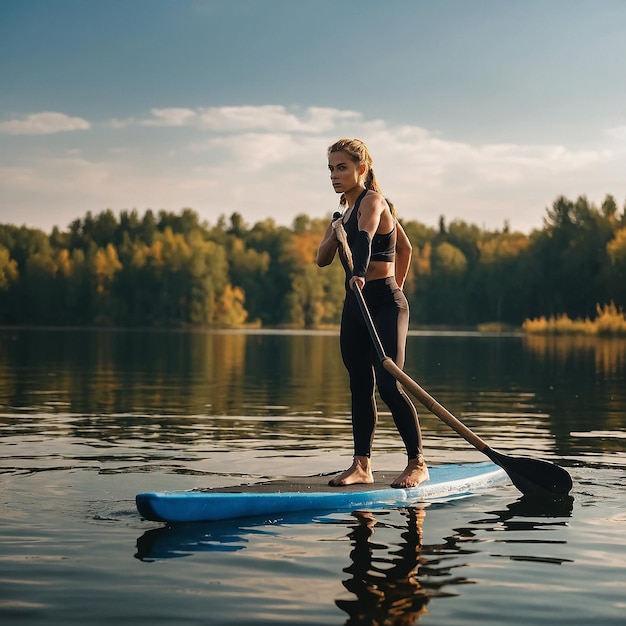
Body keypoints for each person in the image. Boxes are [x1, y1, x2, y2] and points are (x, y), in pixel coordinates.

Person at [316, 138, 429, 489]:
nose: (335, 175)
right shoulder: (342, 215)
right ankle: (361, 465)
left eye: (342, 167)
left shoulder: (374, 202)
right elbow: (321, 258)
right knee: (359, 385)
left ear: (361, 169)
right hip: (356, 303)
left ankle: (418, 462)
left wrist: (375, 279)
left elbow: (365, 239)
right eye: (331, 168)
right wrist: (335, 235)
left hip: (383, 300)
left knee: (389, 383)